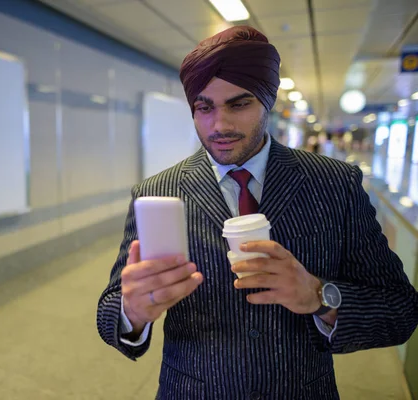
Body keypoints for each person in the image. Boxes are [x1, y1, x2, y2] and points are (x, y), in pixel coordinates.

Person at [96, 26, 418, 399]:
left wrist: (319, 295)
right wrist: (130, 312)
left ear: (268, 100)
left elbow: (400, 310)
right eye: (204, 107)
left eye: (239, 104)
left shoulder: (334, 184)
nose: (220, 125)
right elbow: (110, 314)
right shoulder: (157, 193)